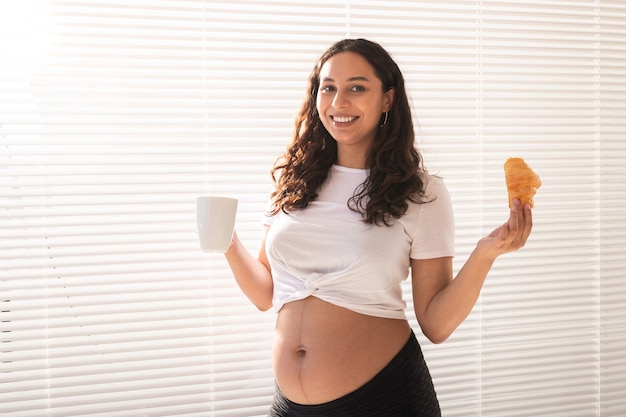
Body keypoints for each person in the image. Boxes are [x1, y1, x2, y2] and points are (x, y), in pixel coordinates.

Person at [224, 38, 533, 417]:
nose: (339, 103)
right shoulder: (294, 181)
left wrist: (486, 253)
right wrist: (226, 241)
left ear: (387, 99)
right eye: (329, 88)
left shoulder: (421, 193)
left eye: (357, 87)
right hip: (290, 406)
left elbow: (436, 324)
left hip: (385, 400)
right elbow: (266, 293)